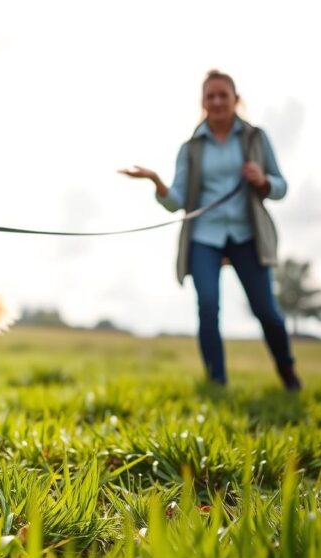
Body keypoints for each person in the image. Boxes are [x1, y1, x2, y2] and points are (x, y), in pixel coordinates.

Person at [120, 69, 301, 391]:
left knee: (267, 311)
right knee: (207, 304)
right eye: (210, 96)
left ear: (236, 100)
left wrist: (263, 181)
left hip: (249, 236)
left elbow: (282, 187)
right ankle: (216, 381)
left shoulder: (256, 138)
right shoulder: (190, 148)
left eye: (223, 95)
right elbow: (176, 201)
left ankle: (288, 372)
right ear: (203, 103)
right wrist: (156, 182)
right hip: (204, 236)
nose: (217, 102)